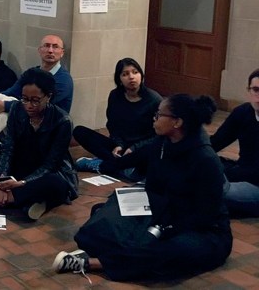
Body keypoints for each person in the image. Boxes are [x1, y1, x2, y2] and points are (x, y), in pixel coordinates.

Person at [54, 94, 232, 282]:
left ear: (177, 122)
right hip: (164, 213)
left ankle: (91, 263)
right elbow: (134, 166)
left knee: (167, 249)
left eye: (158, 115)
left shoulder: (205, 159)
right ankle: (123, 253)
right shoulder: (161, 144)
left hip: (203, 231)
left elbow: (205, 215)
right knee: (104, 214)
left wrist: (164, 227)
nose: (153, 119)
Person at [0, 68, 77, 220]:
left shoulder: (62, 120)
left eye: (35, 100)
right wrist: (1, 180)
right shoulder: (17, 109)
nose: (28, 105)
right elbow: (9, 149)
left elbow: (51, 164)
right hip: (19, 165)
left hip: (45, 172)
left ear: (48, 97)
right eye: (25, 99)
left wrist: (22, 183)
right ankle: (18, 199)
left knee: (57, 185)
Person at [72, 58, 162, 180]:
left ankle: (103, 165)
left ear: (141, 75)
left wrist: (134, 148)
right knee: (79, 131)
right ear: (119, 79)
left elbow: (158, 135)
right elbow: (112, 125)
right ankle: (121, 166)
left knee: (148, 155)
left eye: (135, 72)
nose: (131, 77)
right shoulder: (115, 96)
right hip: (121, 146)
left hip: (141, 148)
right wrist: (119, 144)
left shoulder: (154, 99)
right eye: (125, 74)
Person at [211, 68, 259, 216]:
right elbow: (217, 142)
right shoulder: (243, 112)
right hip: (242, 172)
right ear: (248, 91)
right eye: (256, 90)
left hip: (254, 183)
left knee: (214, 192)